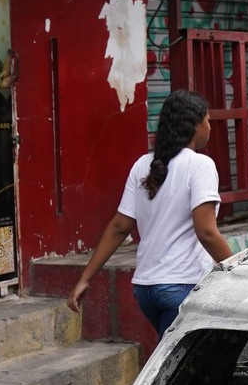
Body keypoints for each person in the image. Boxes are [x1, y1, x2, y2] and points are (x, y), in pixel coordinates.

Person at [66, 90, 234, 340]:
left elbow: (119, 227)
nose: (209, 127)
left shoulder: (142, 165)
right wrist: (236, 269)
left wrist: (85, 278)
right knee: (176, 362)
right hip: (182, 284)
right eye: (207, 120)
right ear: (195, 125)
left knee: (177, 356)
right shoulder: (201, 165)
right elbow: (207, 232)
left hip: (145, 289)